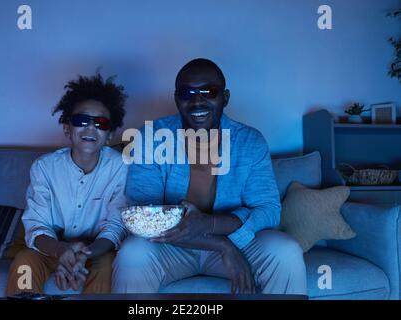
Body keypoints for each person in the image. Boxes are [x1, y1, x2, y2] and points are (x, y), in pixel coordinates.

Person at [112, 58, 307, 294]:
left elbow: (268, 210)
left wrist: (213, 225)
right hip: (173, 247)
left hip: (237, 240)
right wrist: (220, 245)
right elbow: (142, 215)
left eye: (208, 91)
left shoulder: (250, 142)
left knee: (285, 251)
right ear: (176, 99)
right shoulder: (151, 137)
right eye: (187, 93)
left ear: (224, 97)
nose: (197, 101)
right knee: (133, 254)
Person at [6, 74, 128, 295]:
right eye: (82, 121)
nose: (90, 128)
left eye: (100, 123)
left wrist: (84, 255)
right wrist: (61, 250)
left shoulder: (121, 167)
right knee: (25, 261)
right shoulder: (44, 168)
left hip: (96, 251)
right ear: (67, 129)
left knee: (109, 264)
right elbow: (37, 225)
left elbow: (115, 226)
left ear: (109, 135)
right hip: (51, 250)